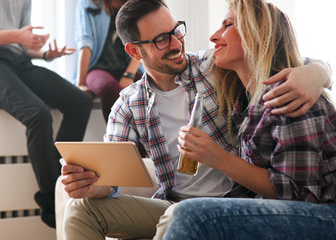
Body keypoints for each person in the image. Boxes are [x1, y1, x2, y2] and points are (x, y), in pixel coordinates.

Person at [61, 0, 332, 239]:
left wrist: (319, 73)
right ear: (134, 53)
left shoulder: (215, 66)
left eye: (176, 30)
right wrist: (90, 186)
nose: (177, 43)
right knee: (80, 209)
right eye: (161, 40)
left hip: (236, 201)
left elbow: (274, 52)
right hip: (172, 204)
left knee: (182, 216)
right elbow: (110, 181)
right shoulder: (128, 105)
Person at [164, 0, 336, 239]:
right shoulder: (246, 101)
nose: (214, 36)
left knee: (191, 214)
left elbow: (296, 195)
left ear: (258, 34)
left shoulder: (289, 95)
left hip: (324, 217)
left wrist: (218, 158)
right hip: (298, 212)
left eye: (227, 25)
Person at [0, 0, 93, 228]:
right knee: (37, 114)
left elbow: (19, 45)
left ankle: (63, 186)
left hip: (16, 61)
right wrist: (17, 36)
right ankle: (52, 204)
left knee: (80, 102)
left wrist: (44, 54)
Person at [75, 0, 143, 122]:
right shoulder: (88, 3)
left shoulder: (136, 4)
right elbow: (85, 42)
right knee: (108, 88)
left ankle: (143, 140)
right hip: (97, 68)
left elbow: (140, 42)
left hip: (129, 67)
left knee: (145, 88)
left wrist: (129, 75)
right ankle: (118, 138)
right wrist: (80, 82)